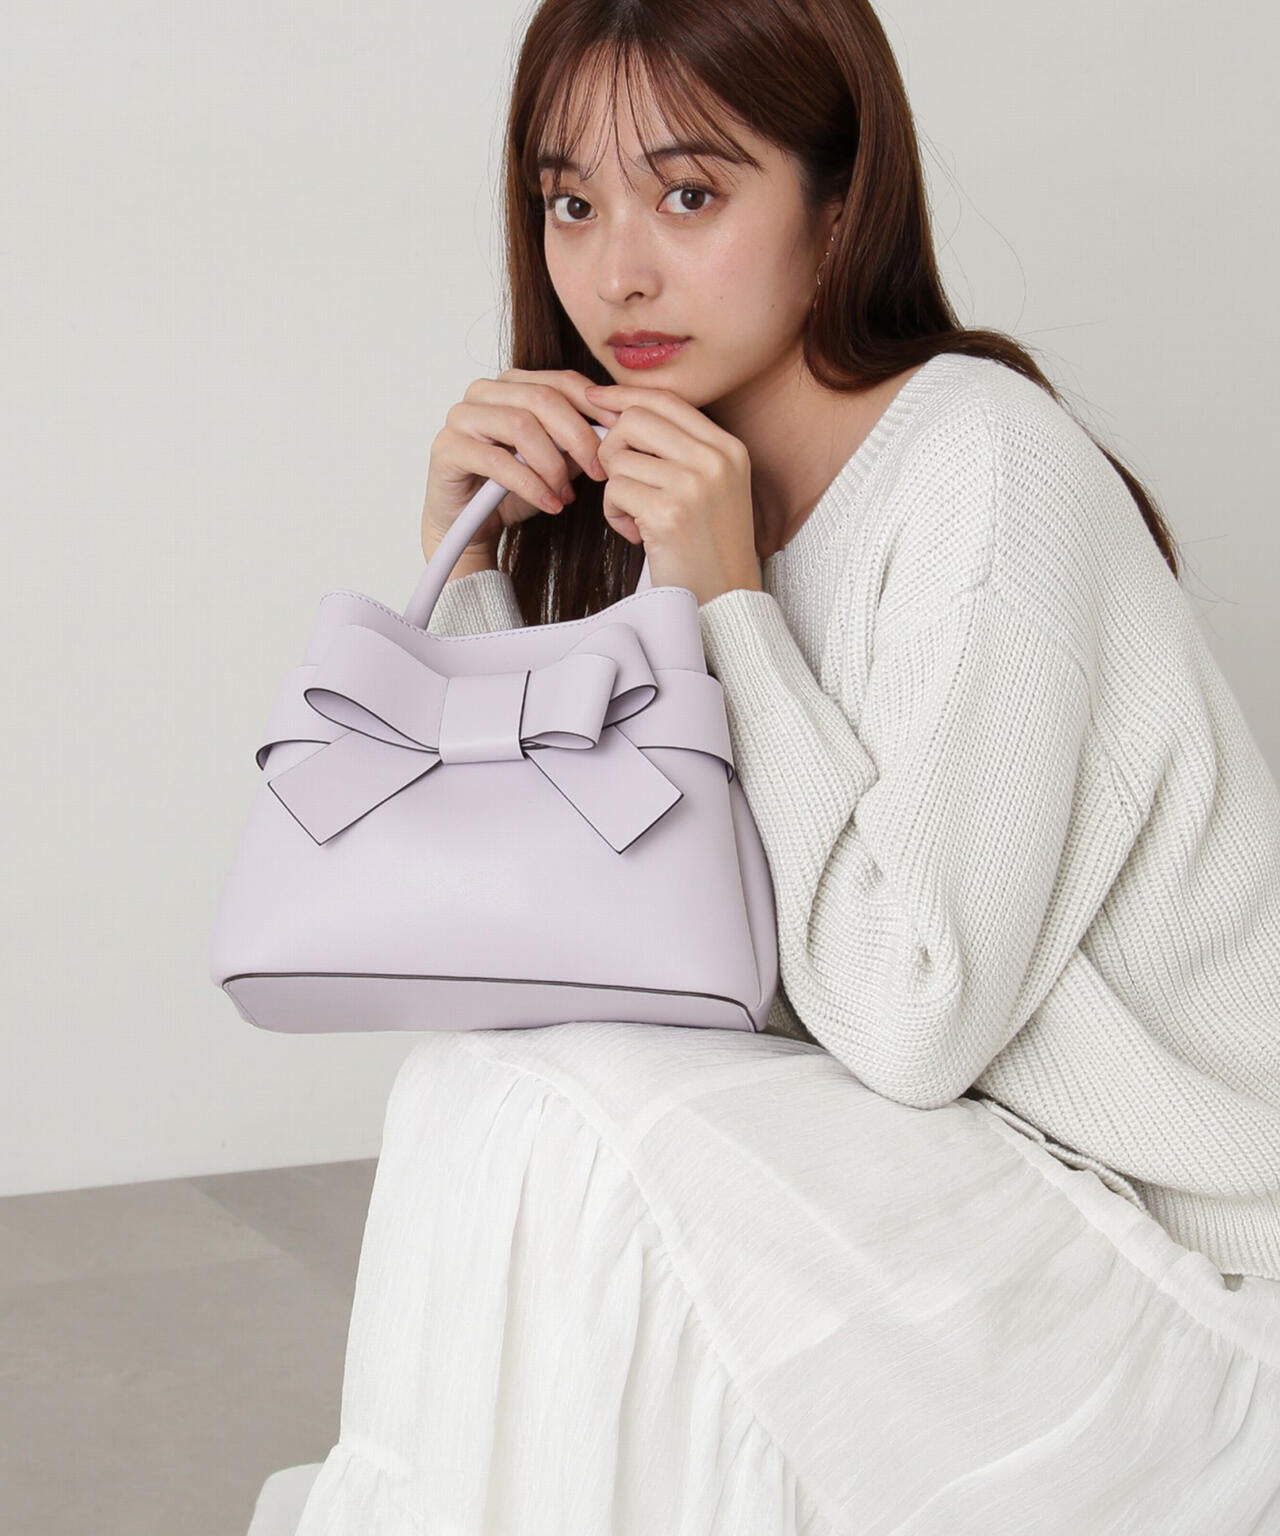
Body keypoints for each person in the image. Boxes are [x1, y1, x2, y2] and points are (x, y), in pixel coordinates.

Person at [254, 2, 1280, 1532]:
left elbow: (909, 1017)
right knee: (474, 1087)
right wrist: (465, 572)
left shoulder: (985, 465)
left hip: (1181, 1284)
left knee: (572, 1120)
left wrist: (729, 604)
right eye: (570, 204)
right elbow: (566, 954)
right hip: (961, 1215)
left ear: (840, 204)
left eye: (689, 193)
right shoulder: (665, 481)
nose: (617, 272)